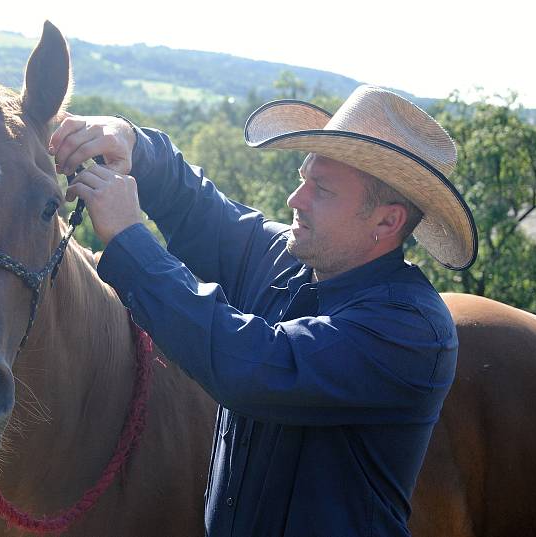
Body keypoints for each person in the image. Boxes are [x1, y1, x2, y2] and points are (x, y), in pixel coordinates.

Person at [49, 85, 477, 537]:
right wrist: (132, 142)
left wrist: (129, 238)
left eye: (322, 190)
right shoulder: (295, 262)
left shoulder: (410, 329)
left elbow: (253, 366)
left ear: (387, 222)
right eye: (303, 177)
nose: (297, 199)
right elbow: (200, 209)